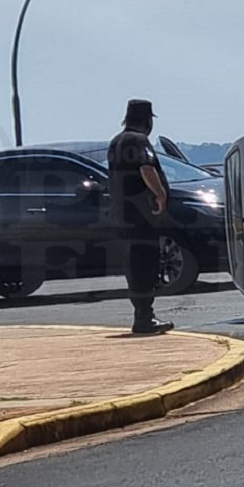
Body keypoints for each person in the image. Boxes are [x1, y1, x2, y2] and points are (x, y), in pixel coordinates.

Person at [107, 99, 175, 334]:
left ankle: (144, 316)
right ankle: (144, 320)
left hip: (122, 214)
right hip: (140, 214)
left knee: (134, 266)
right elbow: (146, 168)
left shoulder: (116, 142)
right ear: (147, 120)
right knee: (145, 264)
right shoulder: (138, 140)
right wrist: (160, 194)